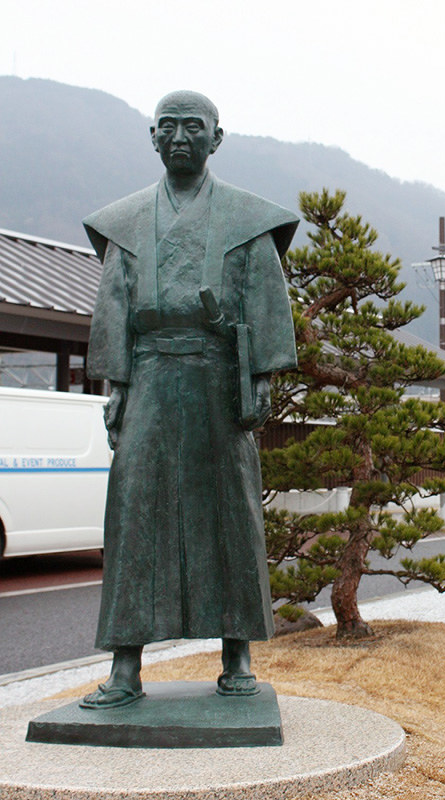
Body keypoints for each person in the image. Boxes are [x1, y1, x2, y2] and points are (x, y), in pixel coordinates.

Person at [80, 90, 298, 708]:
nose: (181, 137)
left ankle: (238, 654)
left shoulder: (244, 222)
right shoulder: (126, 223)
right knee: (134, 509)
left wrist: (258, 381)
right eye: (169, 127)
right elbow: (113, 310)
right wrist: (116, 387)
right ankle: (126, 666)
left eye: (193, 127)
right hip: (149, 376)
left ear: (216, 138)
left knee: (229, 506)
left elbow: (266, 302)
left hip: (216, 378)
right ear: (152, 137)